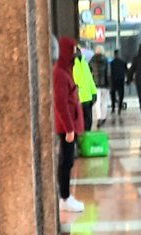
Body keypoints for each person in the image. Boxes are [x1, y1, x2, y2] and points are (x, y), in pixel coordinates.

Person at [53, 37, 84, 214]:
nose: (75, 53)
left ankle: (65, 197)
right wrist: (69, 129)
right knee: (66, 162)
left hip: (69, 126)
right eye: (72, 50)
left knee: (68, 161)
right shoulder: (60, 74)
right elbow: (61, 103)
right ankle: (64, 197)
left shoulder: (66, 71)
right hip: (66, 128)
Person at [73, 49, 97, 133]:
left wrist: (94, 92)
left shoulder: (84, 63)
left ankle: (85, 141)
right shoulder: (71, 64)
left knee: (88, 123)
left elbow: (90, 79)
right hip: (77, 100)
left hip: (87, 99)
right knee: (79, 124)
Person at [89, 45, 110, 126]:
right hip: (105, 84)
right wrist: (109, 84)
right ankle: (103, 117)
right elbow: (108, 73)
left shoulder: (92, 60)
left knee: (97, 102)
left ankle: (98, 117)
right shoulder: (106, 60)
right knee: (104, 101)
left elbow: (89, 73)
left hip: (95, 84)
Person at [109, 49, 128, 114]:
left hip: (113, 80)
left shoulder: (111, 63)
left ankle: (113, 108)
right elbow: (126, 71)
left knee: (113, 94)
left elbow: (109, 72)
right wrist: (127, 79)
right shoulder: (123, 62)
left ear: (114, 55)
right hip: (121, 80)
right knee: (121, 94)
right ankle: (119, 108)